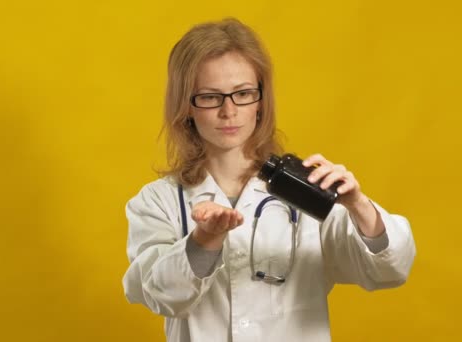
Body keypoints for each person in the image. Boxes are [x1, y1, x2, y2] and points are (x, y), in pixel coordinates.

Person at [122, 17, 416, 342]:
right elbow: (160, 294)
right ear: (186, 105)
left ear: (261, 100)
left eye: (243, 93)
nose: (229, 111)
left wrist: (358, 205)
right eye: (209, 96)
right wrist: (203, 241)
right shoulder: (157, 201)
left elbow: (389, 271)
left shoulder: (305, 188)